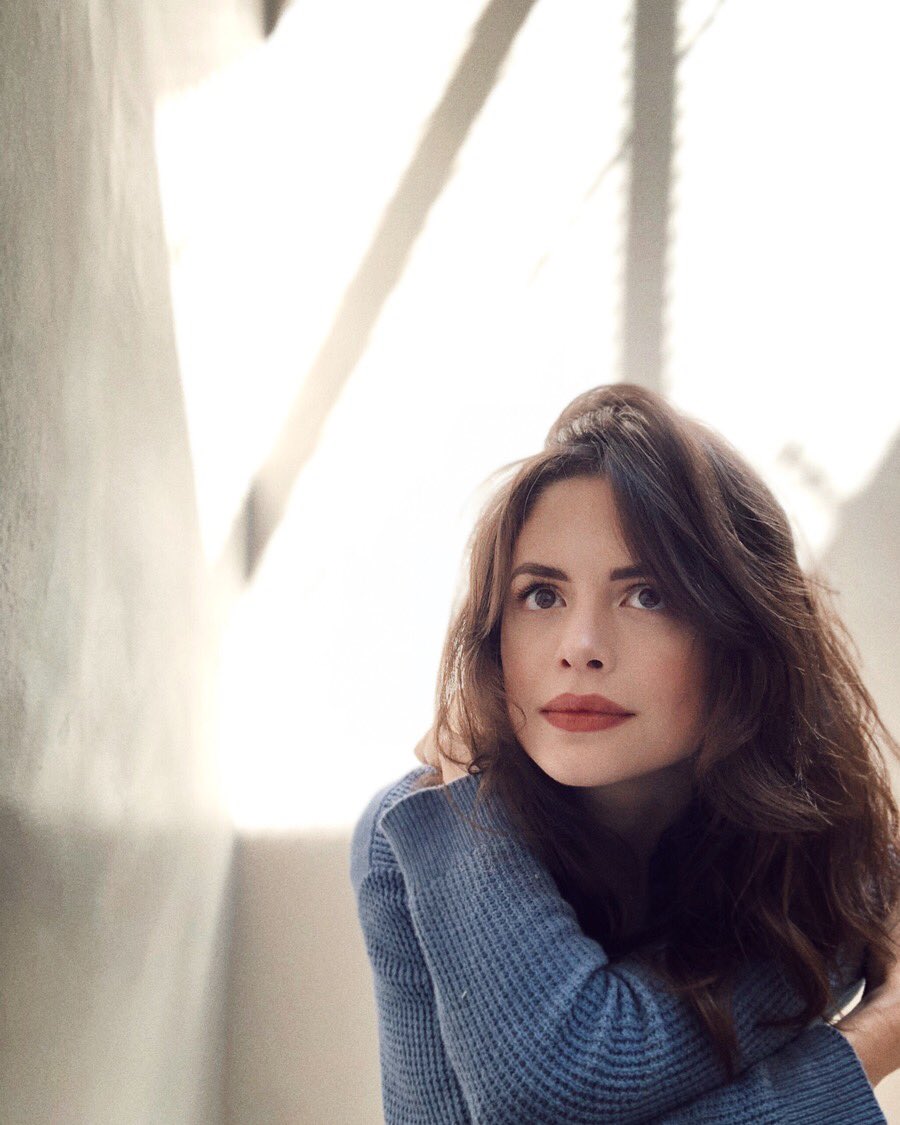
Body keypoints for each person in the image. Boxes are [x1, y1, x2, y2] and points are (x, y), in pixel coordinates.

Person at [350, 383, 900, 1123]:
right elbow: (556, 1084)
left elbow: (571, 1080)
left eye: (648, 595)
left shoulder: (819, 857)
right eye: (542, 596)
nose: (580, 648)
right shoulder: (420, 833)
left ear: (741, 638)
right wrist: (875, 1038)